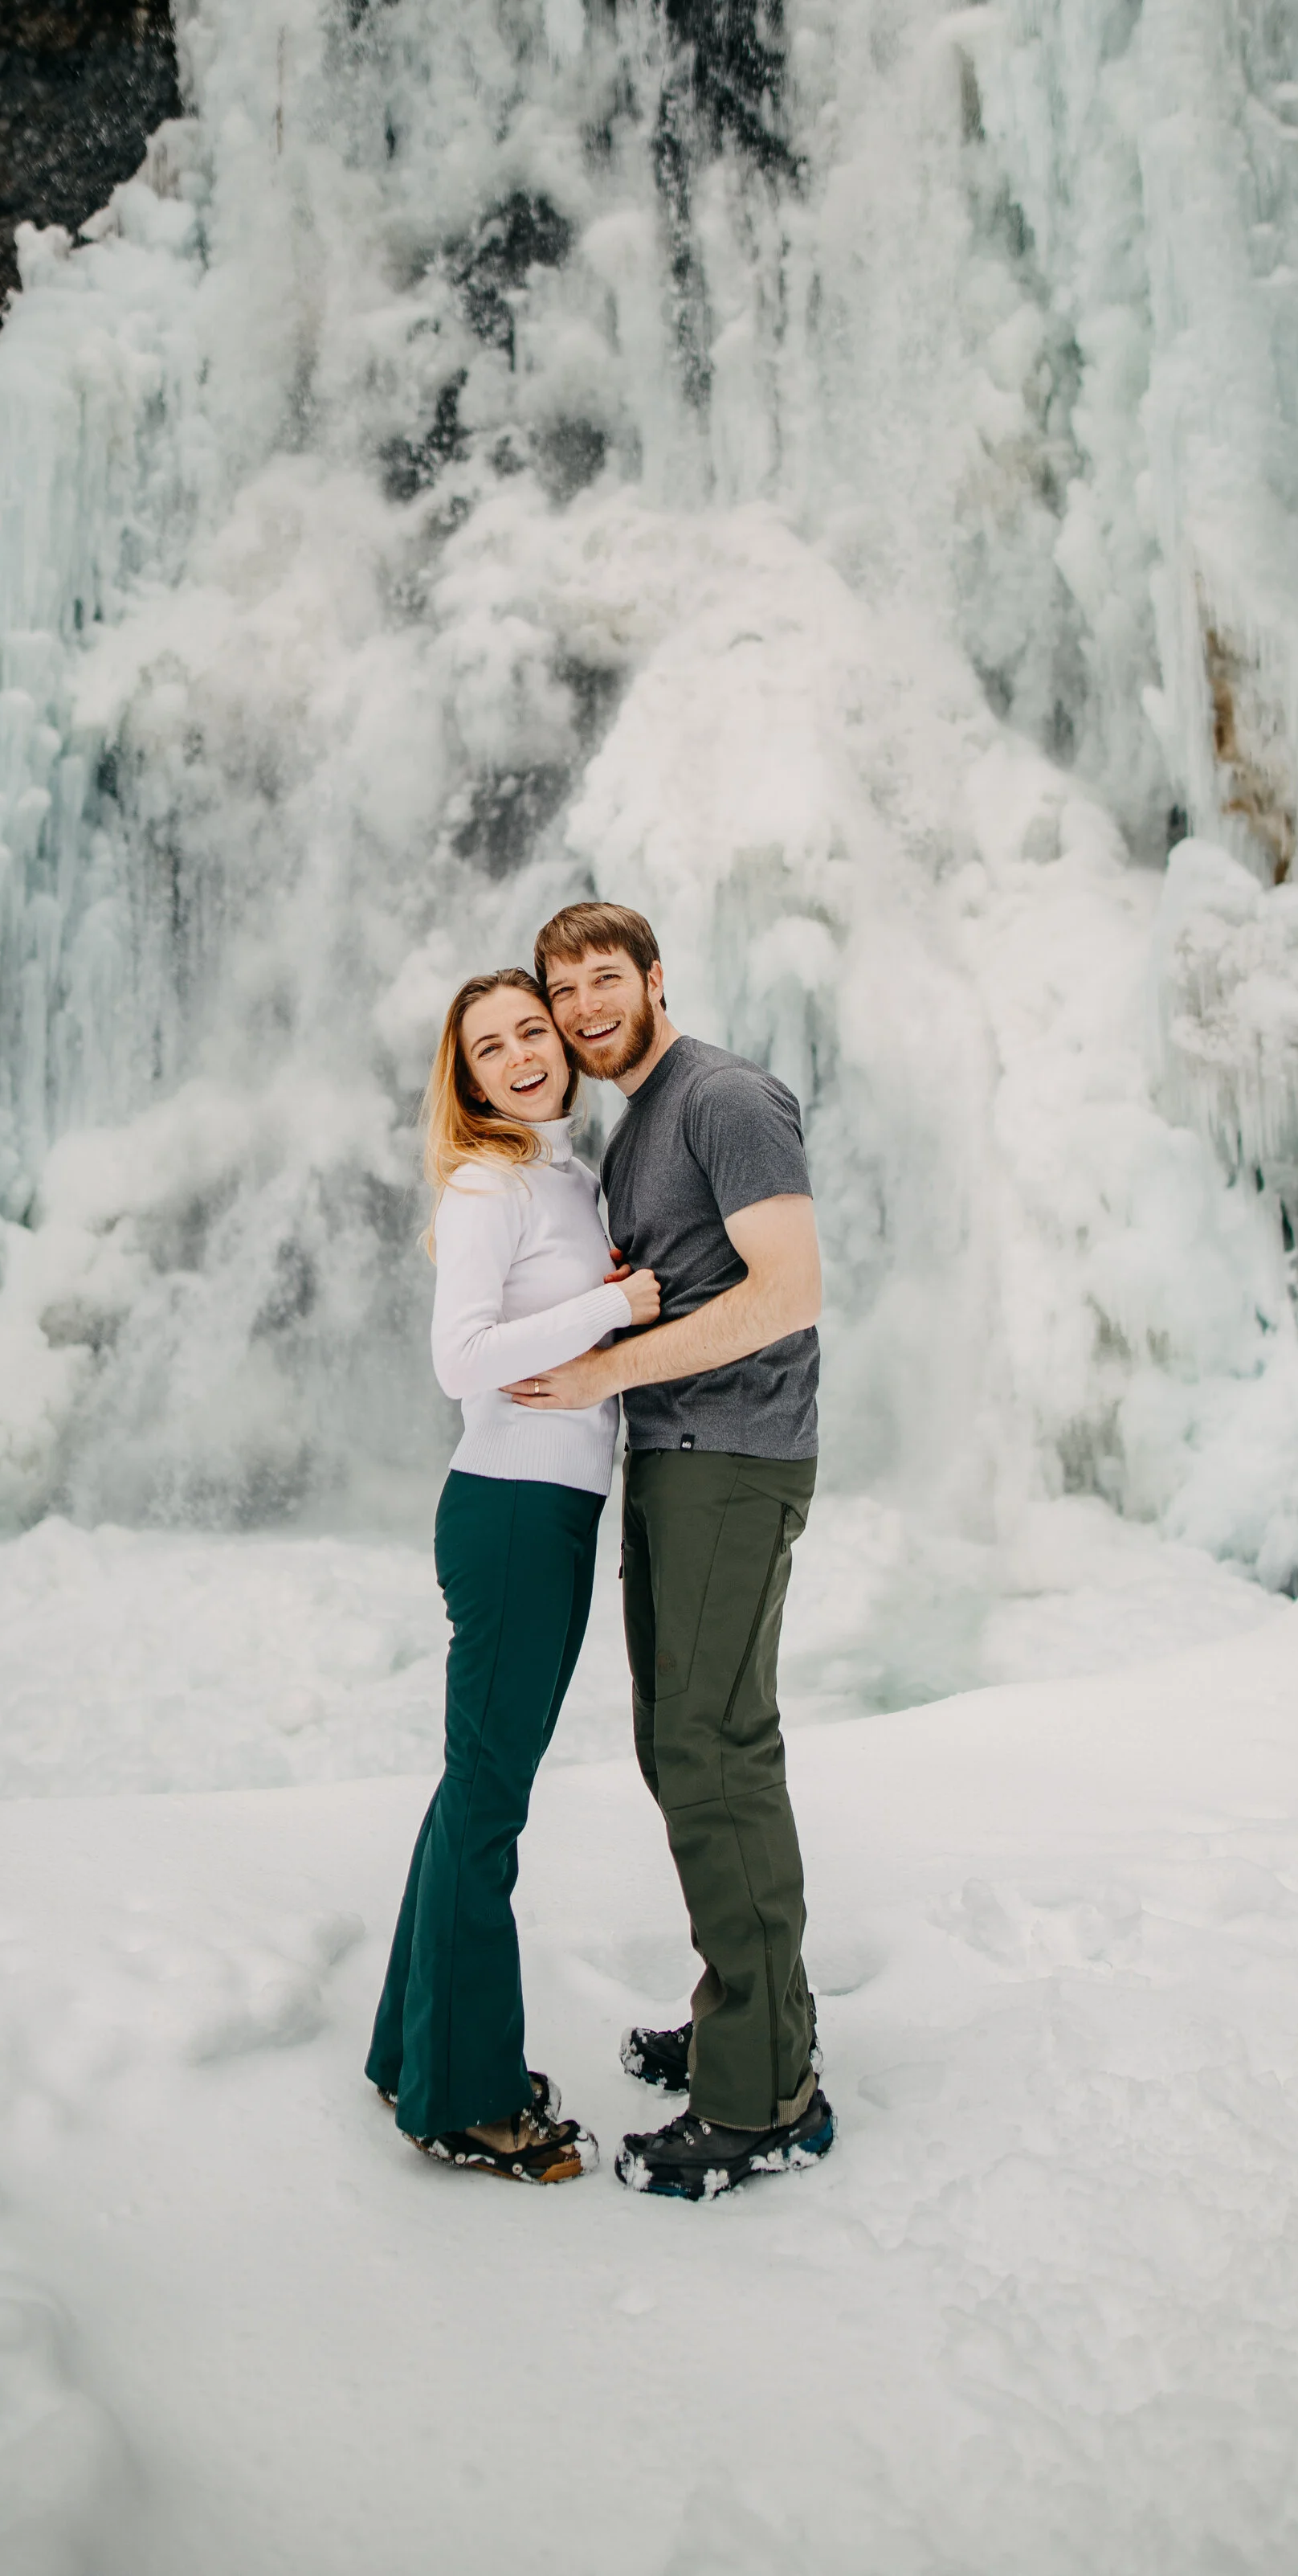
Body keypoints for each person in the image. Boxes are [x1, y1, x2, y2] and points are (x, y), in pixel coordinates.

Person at [512, 902, 835, 2201]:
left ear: (655, 979)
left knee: (714, 1747)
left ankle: (764, 2098)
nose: (584, 1008)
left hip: (733, 1454)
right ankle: (751, 2021)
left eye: (605, 979)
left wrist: (605, 1372)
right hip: (676, 1455)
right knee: (681, 1742)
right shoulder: (639, 1123)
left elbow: (789, 1289)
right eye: (562, 991)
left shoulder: (724, 1097)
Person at [365, 967, 662, 2183]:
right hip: (509, 1512)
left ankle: (413, 2049)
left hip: (553, 1510)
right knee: (489, 1804)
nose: (523, 1056)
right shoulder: (489, 1182)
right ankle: (468, 2101)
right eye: (490, 1047)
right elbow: (461, 1358)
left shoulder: (567, 1174)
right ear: (469, 1076)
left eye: (533, 1031)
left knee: (474, 1792)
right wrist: (615, 1307)